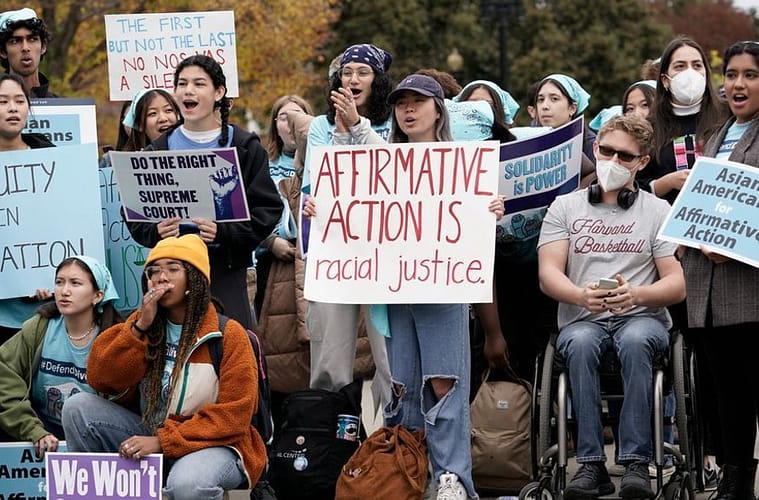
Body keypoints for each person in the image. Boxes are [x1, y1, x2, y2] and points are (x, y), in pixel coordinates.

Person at [538, 114, 685, 500]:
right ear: (594, 149)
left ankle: (637, 462)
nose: (614, 161)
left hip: (641, 319)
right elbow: (548, 273)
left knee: (637, 340)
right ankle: (590, 466)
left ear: (641, 162)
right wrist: (578, 295)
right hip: (582, 318)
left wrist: (636, 295)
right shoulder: (564, 207)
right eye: (607, 151)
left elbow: (676, 283)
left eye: (625, 156)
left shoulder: (656, 211)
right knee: (582, 344)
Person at [62, 235, 266, 499]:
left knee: (188, 484)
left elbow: (234, 416)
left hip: (214, 444)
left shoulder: (228, 334)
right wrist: (138, 328)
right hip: (152, 432)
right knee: (77, 408)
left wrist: (163, 442)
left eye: (172, 269)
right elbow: (100, 377)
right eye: (153, 271)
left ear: (195, 279)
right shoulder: (145, 325)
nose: (160, 277)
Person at [381, 74, 504, 500]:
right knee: (402, 384)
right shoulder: (377, 167)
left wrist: (490, 208)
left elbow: (478, 230)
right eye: (401, 103)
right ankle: (406, 472)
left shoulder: (463, 164)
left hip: (444, 289)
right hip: (396, 292)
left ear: (438, 109)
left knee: (443, 383)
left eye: (419, 101)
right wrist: (319, 209)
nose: (409, 109)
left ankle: (451, 477)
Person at [125, 55, 282, 331]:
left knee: (232, 353)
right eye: (182, 83)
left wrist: (225, 233)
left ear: (218, 92)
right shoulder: (156, 151)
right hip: (172, 274)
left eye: (199, 83)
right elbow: (134, 216)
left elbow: (267, 210)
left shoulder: (245, 146)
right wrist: (155, 231)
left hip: (227, 273)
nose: (189, 90)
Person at [642, 36, 725, 488]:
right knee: (678, 360)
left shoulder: (727, 122)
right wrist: (667, 181)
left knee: (713, 362)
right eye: (680, 64)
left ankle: (714, 452)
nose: (691, 71)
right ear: (664, 75)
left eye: (698, 63)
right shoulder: (650, 127)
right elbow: (630, 188)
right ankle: (675, 445)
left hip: (715, 258)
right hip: (666, 257)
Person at [679, 40, 759, 500]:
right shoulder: (716, 135)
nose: (737, 84)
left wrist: (735, 244)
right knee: (726, 392)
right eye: (731, 75)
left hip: (749, 286)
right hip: (708, 287)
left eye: (750, 74)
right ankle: (735, 479)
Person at [304, 43, 394, 413]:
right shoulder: (319, 128)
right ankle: (330, 445)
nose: (353, 79)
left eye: (363, 72)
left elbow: (392, 172)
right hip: (336, 253)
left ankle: (394, 446)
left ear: (378, 81)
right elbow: (319, 180)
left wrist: (357, 127)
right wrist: (309, 203)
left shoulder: (394, 124)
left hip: (384, 255)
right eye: (347, 72)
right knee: (330, 357)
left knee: (390, 358)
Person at [0, 256, 120, 457]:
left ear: (97, 296)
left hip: (93, 434)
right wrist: (33, 430)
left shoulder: (113, 339)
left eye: (75, 283)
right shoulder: (39, 328)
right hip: (43, 427)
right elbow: (4, 372)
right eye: (59, 282)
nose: (64, 291)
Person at [0, 73, 56, 344]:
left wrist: (53, 278)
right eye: (2, 101)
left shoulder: (53, 158)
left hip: (45, 312)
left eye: (19, 100)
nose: (12, 108)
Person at [254, 94, 313, 317]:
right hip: (272, 266)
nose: (290, 125)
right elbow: (248, 214)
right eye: (283, 118)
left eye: (297, 116)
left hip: (312, 262)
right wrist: (270, 242)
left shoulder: (323, 161)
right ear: (274, 126)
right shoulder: (261, 166)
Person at [0, 8, 56, 98]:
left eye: (32, 39)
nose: (25, 48)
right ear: (3, 51)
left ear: (43, 47)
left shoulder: (62, 106)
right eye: (15, 41)